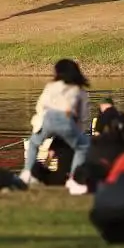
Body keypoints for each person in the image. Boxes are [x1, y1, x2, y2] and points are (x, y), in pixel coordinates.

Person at [21, 59, 92, 194]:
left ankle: (26, 173)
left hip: (47, 118)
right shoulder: (79, 90)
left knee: (34, 143)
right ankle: (74, 179)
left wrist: (38, 124)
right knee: (82, 146)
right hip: (66, 119)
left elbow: (40, 105)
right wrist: (79, 132)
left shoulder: (51, 86)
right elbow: (84, 117)